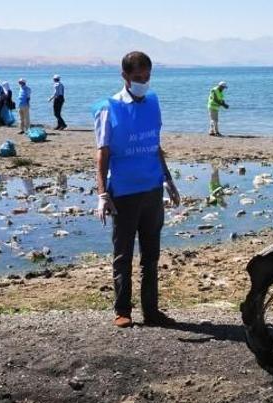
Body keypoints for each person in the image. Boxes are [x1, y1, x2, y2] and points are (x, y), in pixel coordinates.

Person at [93, 51, 181, 328]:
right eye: (138, 78)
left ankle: (151, 311)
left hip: (152, 189)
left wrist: (169, 180)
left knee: (151, 255)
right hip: (124, 193)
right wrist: (102, 194)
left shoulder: (153, 103)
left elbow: (155, 146)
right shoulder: (110, 108)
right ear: (125, 77)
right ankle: (122, 310)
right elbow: (102, 154)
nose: (143, 82)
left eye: (147, 77)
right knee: (123, 255)